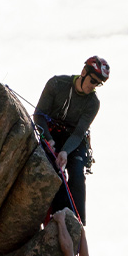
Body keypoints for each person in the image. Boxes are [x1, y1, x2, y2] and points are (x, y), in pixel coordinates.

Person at [34, 56, 108, 223]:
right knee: (54, 170)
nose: (93, 86)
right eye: (92, 80)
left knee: (76, 174)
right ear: (83, 72)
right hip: (51, 134)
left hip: (74, 140)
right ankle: (56, 217)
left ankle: (77, 223)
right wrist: (49, 140)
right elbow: (39, 115)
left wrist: (65, 152)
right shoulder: (56, 84)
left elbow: (78, 133)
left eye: (97, 83)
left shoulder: (93, 103)